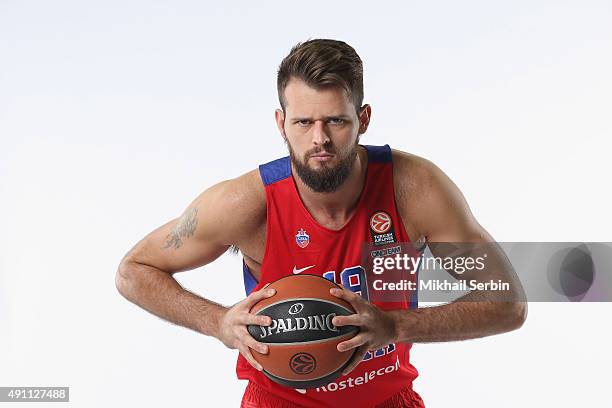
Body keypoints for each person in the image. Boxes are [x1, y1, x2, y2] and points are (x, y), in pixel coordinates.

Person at [115, 38, 527, 408]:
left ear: (362, 119)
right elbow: (134, 270)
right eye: (303, 123)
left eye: (335, 121)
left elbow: (508, 303)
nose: (319, 139)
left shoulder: (414, 190)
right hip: (279, 401)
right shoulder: (245, 203)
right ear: (281, 123)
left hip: (386, 398)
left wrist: (394, 325)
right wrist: (217, 321)